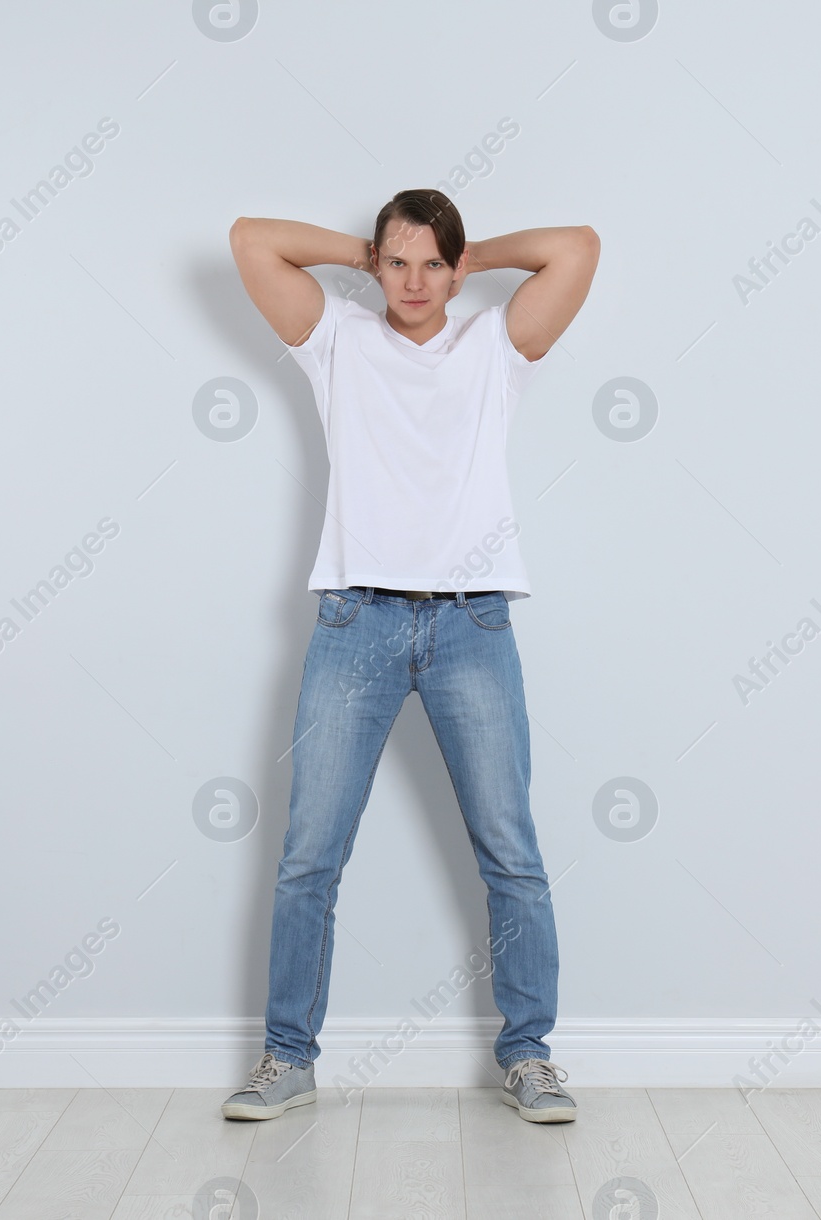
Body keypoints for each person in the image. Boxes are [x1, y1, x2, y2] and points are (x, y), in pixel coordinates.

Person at [221, 189, 599, 1123]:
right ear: (375, 268)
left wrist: (462, 252)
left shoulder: (494, 347)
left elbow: (577, 247)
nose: (416, 282)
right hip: (358, 623)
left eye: (434, 265)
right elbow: (251, 239)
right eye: (398, 264)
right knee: (311, 854)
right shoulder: (337, 340)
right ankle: (287, 1058)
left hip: (473, 626)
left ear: (458, 270)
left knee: (510, 853)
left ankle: (531, 1056)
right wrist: (371, 250)